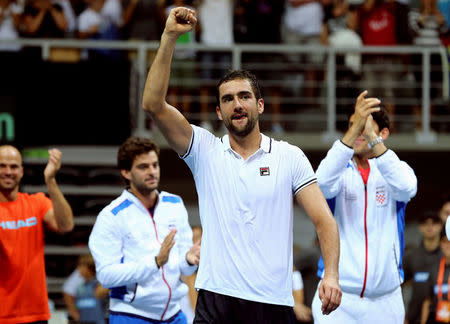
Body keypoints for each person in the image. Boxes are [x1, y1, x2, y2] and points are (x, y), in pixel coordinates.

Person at [141, 7, 342, 323]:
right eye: (228, 99)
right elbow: (153, 104)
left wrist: (330, 274)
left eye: (245, 96)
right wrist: (169, 37)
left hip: (272, 303)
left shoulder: (289, 156)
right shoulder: (204, 150)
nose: (237, 104)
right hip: (215, 300)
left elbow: (324, 221)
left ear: (259, 105)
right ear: (219, 113)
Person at [313, 91, 418, 323]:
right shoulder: (338, 169)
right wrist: (357, 129)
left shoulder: (394, 169)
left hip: (386, 299)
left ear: (384, 133)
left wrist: (372, 136)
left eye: (364, 126)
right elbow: (320, 185)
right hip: (339, 296)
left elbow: (408, 188)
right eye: (353, 125)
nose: (357, 132)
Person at [88, 136, 201, 324]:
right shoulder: (111, 216)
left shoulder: (174, 204)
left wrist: (190, 259)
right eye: (143, 167)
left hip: (174, 314)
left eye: (155, 165)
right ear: (126, 172)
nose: (152, 172)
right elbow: (106, 276)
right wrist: (155, 262)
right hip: (131, 315)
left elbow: (183, 267)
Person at [0, 145, 74, 324]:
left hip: (35, 314)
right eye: (2, 166)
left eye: (14, 166)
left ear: (22, 171)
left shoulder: (37, 202)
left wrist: (51, 180)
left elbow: (65, 225)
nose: (8, 171)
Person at [404, 212, 443, 324]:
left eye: (434, 223)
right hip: (413, 316)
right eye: (425, 223)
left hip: (441, 315)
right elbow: (398, 283)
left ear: (440, 225)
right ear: (420, 227)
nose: (429, 227)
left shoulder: (446, 255)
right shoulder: (412, 256)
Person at [63, 255, 110, 324]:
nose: (78, 269)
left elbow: (99, 294)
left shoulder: (99, 284)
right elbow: (68, 293)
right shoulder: (81, 285)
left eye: (81, 266)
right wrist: (75, 314)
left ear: (89, 268)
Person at [420, 230, 450, 323]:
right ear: (440, 243)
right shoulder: (434, 268)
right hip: (436, 318)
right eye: (445, 241)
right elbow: (427, 300)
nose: (448, 245)